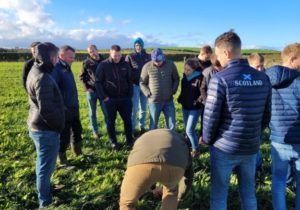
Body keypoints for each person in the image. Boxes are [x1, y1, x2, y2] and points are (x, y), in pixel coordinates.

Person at [202, 31, 271, 210]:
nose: (217, 59)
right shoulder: (263, 78)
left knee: (219, 194)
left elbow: (210, 117)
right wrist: (253, 134)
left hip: (224, 148)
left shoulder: (220, 79)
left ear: (226, 53)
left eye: (218, 55)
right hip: (250, 146)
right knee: (248, 193)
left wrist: (208, 140)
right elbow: (266, 116)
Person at [26, 42, 64, 208]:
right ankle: (45, 203)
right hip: (45, 130)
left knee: (43, 164)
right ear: (50, 57)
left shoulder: (34, 69)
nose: (56, 61)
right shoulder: (42, 77)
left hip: (38, 126)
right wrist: (58, 126)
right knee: (44, 168)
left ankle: (47, 190)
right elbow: (47, 110)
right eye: (56, 57)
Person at [119, 129, 193, 210]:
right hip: (174, 167)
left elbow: (135, 161)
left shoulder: (144, 137)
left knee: (127, 204)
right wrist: (180, 197)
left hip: (140, 164)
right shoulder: (182, 142)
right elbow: (188, 176)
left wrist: (152, 187)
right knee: (171, 193)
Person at [265, 43, 300, 210]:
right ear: (292, 59)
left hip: (278, 138)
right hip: (299, 139)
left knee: (278, 181)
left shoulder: (266, 79)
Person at [95, 45, 133, 150]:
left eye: (119, 55)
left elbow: (129, 79)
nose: (117, 58)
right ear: (110, 54)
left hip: (124, 99)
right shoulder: (103, 65)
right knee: (110, 121)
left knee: (128, 120)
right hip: (110, 99)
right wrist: (104, 97)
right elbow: (97, 82)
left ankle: (130, 140)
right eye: (115, 56)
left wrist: (129, 95)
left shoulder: (125, 64)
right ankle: (113, 142)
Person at [53, 45, 83, 165]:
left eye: (74, 57)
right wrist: (63, 107)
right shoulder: (56, 69)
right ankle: (62, 159)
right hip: (64, 109)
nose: (73, 59)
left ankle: (78, 152)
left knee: (77, 130)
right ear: (61, 56)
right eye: (71, 57)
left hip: (74, 106)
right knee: (64, 135)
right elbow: (54, 90)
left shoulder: (67, 67)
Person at [140, 48, 179, 130]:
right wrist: (148, 93)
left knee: (171, 124)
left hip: (168, 100)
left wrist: (173, 90)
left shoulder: (171, 65)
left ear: (163, 57)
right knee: (153, 125)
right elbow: (142, 83)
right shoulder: (147, 66)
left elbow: (176, 78)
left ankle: (172, 141)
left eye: (159, 61)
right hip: (154, 101)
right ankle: (153, 141)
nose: (157, 63)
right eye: (155, 61)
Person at [177, 59, 203, 158]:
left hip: (195, 108)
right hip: (185, 107)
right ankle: (187, 146)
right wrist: (180, 98)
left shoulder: (200, 78)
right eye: (185, 69)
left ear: (194, 69)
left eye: (188, 70)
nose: (186, 71)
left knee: (189, 130)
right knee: (186, 129)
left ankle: (196, 150)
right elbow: (183, 92)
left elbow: (202, 93)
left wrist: (197, 101)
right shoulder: (184, 79)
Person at [80, 44, 106, 139]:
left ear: (97, 50)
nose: (92, 53)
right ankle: (95, 131)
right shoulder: (86, 62)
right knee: (92, 113)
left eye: (93, 50)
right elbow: (82, 77)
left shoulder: (104, 61)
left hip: (103, 91)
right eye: (90, 52)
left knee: (106, 111)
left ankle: (109, 129)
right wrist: (87, 88)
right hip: (92, 92)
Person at [125, 37, 151, 136]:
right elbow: (127, 71)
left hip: (145, 86)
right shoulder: (130, 56)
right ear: (134, 46)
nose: (138, 47)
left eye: (140, 45)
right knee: (134, 108)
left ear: (142, 45)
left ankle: (142, 126)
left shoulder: (148, 56)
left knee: (144, 108)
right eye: (136, 45)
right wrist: (130, 82)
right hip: (135, 85)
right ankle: (132, 127)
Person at [198, 54, 223, 143]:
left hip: (221, 103)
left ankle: (217, 138)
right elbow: (203, 88)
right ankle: (203, 137)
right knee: (205, 121)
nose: (219, 68)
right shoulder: (208, 72)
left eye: (220, 66)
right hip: (208, 103)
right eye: (217, 66)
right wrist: (206, 101)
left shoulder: (226, 71)